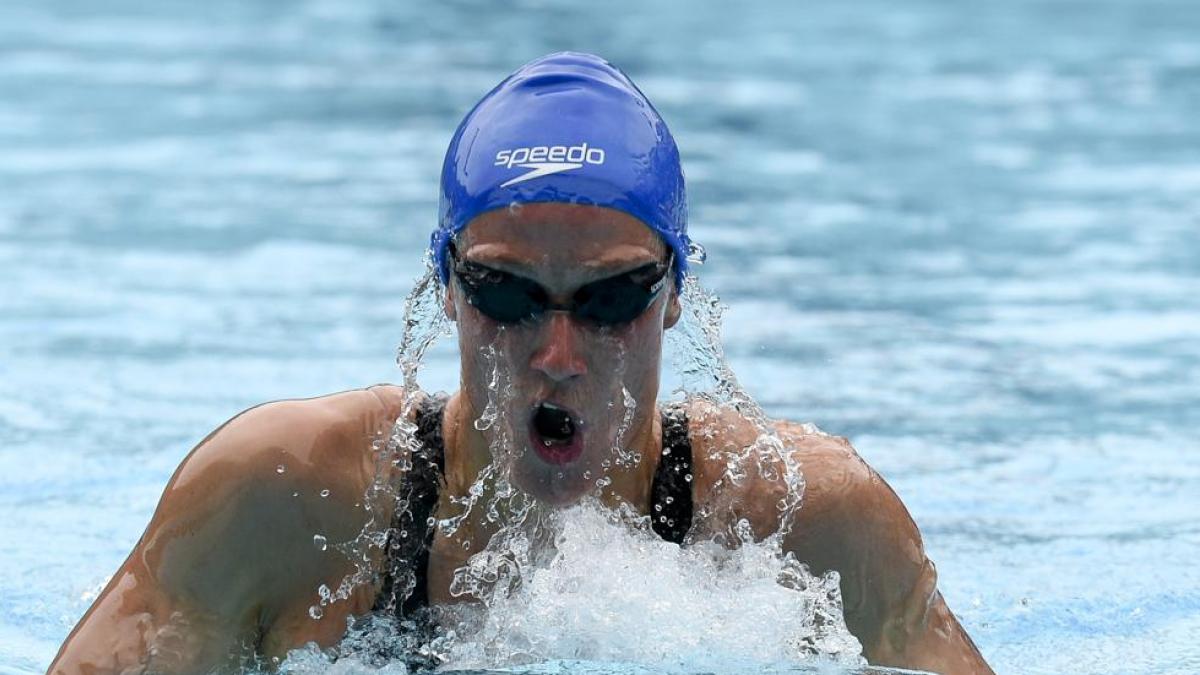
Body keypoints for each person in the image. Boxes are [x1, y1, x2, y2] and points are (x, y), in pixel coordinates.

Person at [49, 52, 993, 675]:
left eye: (611, 299)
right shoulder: (283, 498)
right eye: (506, 294)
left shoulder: (807, 523)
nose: (556, 354)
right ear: (448, 288)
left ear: (674, 295)